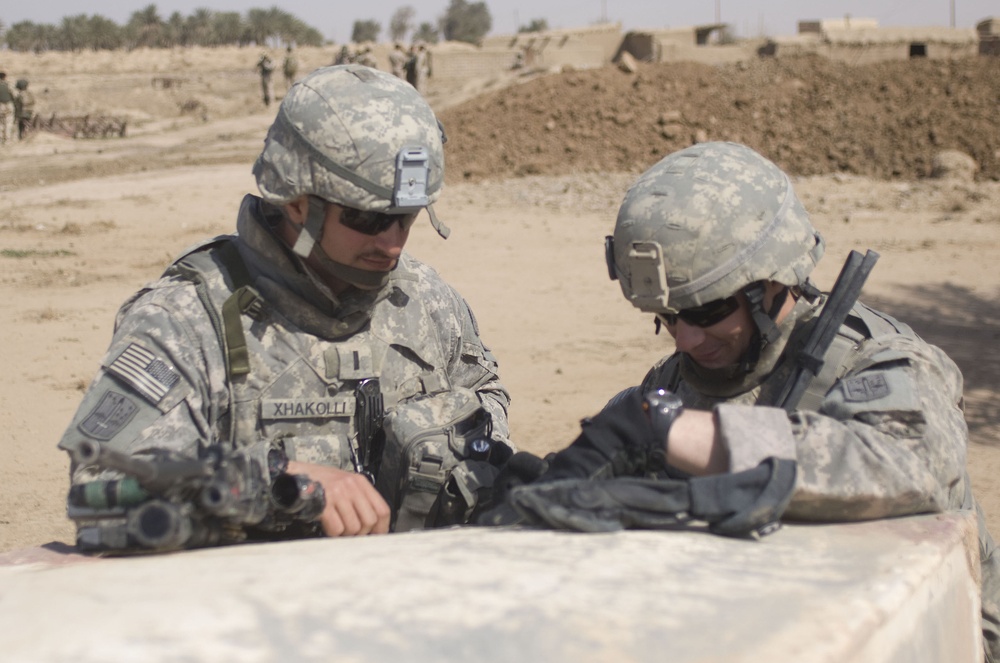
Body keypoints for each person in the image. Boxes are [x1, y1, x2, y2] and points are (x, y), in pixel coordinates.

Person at [493, 141, 1000, 659]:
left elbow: (912, 463)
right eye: (668, 316)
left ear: (774, 283)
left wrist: (674, 432)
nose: (685, 339)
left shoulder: (877, 360)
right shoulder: (678, 380)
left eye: (709, 310)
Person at [57, 65, 513, 550]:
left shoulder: (424, 299)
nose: (392, 243)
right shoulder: (188, 319)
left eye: (407, 218)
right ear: (297, 202)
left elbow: (485, 395)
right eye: (366, 217)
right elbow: (99, 493)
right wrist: (276, 482)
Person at [0, 72, 15, 145]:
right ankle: (7, 140)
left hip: (0, 105)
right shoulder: (9, 85)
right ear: (5, 77)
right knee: (8, 123)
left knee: (1, 123)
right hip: (8, 104)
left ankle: (1, 139)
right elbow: (14, 95)